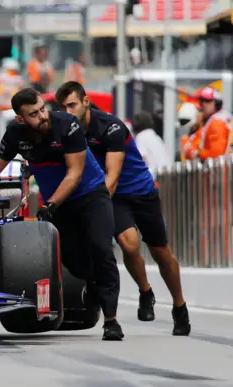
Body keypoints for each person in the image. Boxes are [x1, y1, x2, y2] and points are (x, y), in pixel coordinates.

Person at [0, 88, 124, 341]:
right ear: (21, 119)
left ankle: (111, 320)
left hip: (90, 195)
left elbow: (74, 174)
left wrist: (50, 205)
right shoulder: (15, 134)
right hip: (59, 204)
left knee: (101, 249)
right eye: (33, 114)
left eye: (42, 109)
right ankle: (92, 281)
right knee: (72, 260)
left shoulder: (68, 125)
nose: (42, 116)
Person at [55, 81, 190, 336]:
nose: (67, 112)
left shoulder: (111, 126)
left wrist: (96, 207)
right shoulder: (65, 131)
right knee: (128, 243)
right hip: (114, 198)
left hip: (139, 191)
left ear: (85, 102)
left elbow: (112, 175)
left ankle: (179, 306)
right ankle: (145, 291)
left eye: (71, 105)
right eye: (62, 107)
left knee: (160, 251)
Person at [131, 111, 171, 178]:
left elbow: (141, 161)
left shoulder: (141, 136)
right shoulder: (155, 136)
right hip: (167, 176)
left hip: (155, 179)